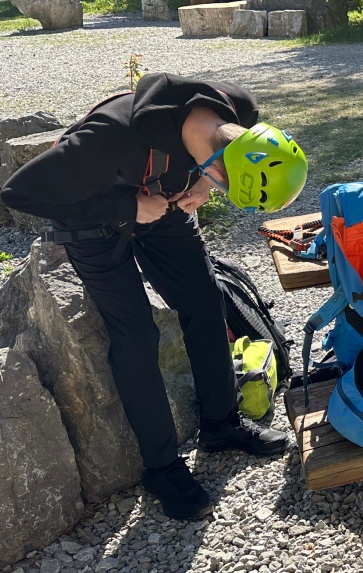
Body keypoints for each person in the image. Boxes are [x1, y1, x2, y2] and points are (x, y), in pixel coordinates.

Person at [1, 74, 310, 521]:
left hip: (164, 200)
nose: (218, 189)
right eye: (221, 183)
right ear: (221, 163)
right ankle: (162, 468)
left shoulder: (232, 109)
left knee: (206, 302)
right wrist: (128, 209)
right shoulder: (110, 138)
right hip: (96, 219)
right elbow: (20, 192)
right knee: (137, 337)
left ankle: (221, 425)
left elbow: (237, 140)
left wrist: (203, 185)